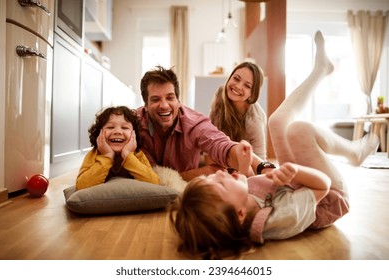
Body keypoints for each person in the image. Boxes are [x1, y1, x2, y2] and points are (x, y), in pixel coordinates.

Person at [168, 31, 380, 259]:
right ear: (239, 214)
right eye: (236, 78)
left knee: (277, 122)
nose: (218, 176)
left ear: (253, 94)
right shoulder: (279, 216)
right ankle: (354, 151)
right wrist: (295, 172)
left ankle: (321, 72)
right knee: (300, 131)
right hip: (330, 195)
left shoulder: (252, 122)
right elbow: (322, 186)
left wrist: (245, 165)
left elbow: (250, 176)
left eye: (246, 84)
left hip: (291, 182)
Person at [137, 66, 270, 181]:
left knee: (220, 167)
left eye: (170, 98)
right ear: (146, 106)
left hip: (244, 156)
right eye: (155, 99)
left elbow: (220, 143)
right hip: (203, 162)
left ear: (178, 100)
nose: (164, 105)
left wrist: (261, 166)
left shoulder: (194, 123)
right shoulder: (133, 122)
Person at [76, 106, 159, 190]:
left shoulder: (138, 155)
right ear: (99, 133)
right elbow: (81, 185)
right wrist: (107, 156)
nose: (117, 132)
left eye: (125, 128)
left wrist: (127, 155)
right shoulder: (93, 155)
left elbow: (154, 182)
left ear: (134, 134)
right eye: (110, 127)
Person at [209, 62, 267, 159]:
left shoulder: (254, 121)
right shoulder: (220, 94)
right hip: (222, 155)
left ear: (252, 94)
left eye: (247, 86)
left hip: (244, 163)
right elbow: (210, 134)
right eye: (236, 79)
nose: (238, 86)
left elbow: (261, 161)